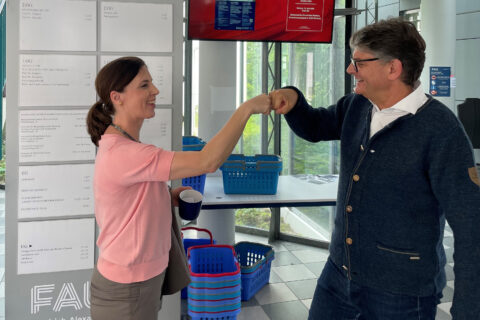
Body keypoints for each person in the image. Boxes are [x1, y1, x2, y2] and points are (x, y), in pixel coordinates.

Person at [270, 18, 480, 320]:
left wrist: (468, 310)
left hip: (401, 293)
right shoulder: (358, 105)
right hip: (338, 275)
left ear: (393, 69)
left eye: (359, 63)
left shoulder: (441, 131)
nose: (350, 70)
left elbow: (471, 227)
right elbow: (316, 124)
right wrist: (294, 101)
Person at [86, 56, 270, 320]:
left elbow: (130, 200)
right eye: (144, 85)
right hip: (127, 287)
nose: (155, 91)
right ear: (118, 97)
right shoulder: (125, 153)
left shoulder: (123, 145)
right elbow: (208, 161)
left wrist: (164, 195)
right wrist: (247, 109)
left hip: (135, 281)